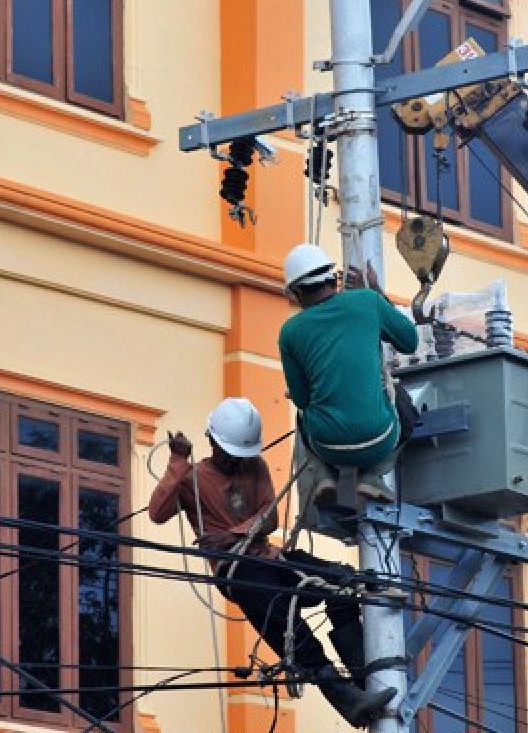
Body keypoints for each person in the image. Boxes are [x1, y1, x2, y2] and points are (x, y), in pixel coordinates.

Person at [148, 398, 397, 728]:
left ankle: (366, 681)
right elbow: (157, 513)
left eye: (240, 455)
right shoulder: (193, 479)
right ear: (211, 441)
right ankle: (348, 700)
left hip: (273, 559)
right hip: (239, 572)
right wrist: (177, 462)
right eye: (229, 453)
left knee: (340, 582)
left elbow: (269, 517)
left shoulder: (255, 467)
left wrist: (231, 534)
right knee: (290, 627)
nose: (235, 461)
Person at [278, 244, 420, 504]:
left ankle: (322, 477)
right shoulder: (367, 301)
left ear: (297, 292)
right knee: (404, 404)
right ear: (334, 278)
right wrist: (377, 292)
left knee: (304, 413)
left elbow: (301, 399)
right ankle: (373, 478)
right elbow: (410, 341)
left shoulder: (289, 332)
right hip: (381, 439)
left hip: (327, 446)